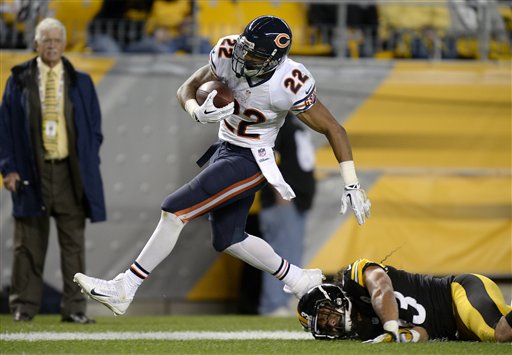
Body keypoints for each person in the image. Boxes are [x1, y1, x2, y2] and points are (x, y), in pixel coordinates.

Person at [73, 15, 370, 317]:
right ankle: (297, 278)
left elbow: (334, 128)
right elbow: (186, 88)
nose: (244, 57)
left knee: (175, 210)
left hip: (252, 159)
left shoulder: (288, 82)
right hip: (224, 149)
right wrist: (195, 110)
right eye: (245, 48)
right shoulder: (228, 52)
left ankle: (126, 286)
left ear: (275, 60)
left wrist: (351, 183)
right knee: (229, 239)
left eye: (254, 54)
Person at [0, 18, 106, 323]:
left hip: (69, 173)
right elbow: (5, 128)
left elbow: (94, 130)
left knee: (73, 245)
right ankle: (23, 307)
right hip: (31, 173)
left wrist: (85, 161)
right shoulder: (18, 79)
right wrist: (8, 169)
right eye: (45, 39)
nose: (51, 45)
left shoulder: (81, 81)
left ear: (64, 44)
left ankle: (75, 309)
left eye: (56, 40)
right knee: (27, 244)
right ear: (35, 44)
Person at [297, 258, 512, 342]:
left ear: (335, 298)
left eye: (326, 314)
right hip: (454, 330)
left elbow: (382, 287)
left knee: (500, 334)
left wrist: (390, 325)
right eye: (324, 325)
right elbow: (424, 331)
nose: (331, 323)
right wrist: (398, 338)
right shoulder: (363, 333)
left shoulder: (354, 278)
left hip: (458, 293)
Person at [258, 112, 316, 316]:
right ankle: (274, 305)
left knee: (290, 254)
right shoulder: (276, 121)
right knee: (280, 254)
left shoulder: (294, 121)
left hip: (296, 201)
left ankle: (281, 302)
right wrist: (278, 191)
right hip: (284, 200)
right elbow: (267, 155)